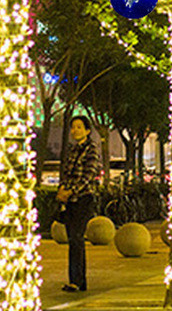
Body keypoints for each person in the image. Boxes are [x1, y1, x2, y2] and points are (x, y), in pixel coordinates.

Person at [57, 115, 100, 292]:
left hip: (83, 199)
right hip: (70, 201)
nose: (75, 130)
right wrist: (61, 190)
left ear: (87, 131)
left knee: (76, 237)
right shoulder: (72, 150)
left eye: (79, 127)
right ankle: (77, 280)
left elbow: (88, 175)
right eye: (73, 127)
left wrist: (71, 190)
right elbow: (66, 173)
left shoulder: (91, 149)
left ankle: (77, 280)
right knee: (73, 239)